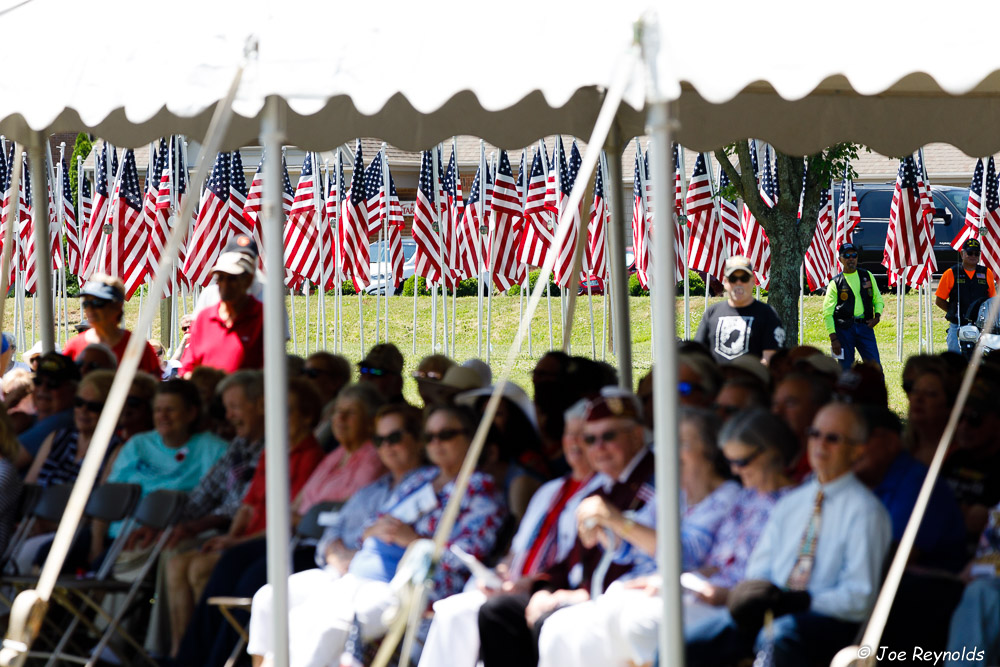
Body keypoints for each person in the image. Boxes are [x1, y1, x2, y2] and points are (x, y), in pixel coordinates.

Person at [535, 409, 797, 667]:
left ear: (708, 451)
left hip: (727, 603)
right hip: (681, 589)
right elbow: (635, 548)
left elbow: (687, 555)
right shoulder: (739, 498)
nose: (670, 450)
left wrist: (617, 520)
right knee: (559, 628)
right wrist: (602, 526)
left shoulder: (737, 497)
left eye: (681, 442)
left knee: (634, 622)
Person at [252, 405, 505, 667]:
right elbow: (374, 522)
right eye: (430, 436)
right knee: (294, 615)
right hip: (360, 573)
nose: (436, 442)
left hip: (407, 587)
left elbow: (468, 558)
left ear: (471, 438)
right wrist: (372, 531)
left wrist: (414, 541)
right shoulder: (419, 480)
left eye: (447, 434)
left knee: (330, 625)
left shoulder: (482, 493)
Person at [687, 403, 892, 667]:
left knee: (778, 637)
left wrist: (800, 600)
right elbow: (759, 568)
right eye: (815, 434)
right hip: (774, 612)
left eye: (833, 438)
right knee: (686, 645)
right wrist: (760, 596)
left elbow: (859, 597)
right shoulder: (792, 503)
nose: (820, 445)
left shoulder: (866, 511)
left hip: (827, 621)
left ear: (857, 449)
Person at [477, 390, 656, 667]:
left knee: (551, 622)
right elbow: (573, 558)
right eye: (590, 439)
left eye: (608, 436)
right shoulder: (602, 487)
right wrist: (544, 587)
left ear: (635, 436)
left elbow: (635, 559)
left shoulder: (654, 481)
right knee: (498, 612)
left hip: (621, 596)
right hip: (584, 592)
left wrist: (577, 593)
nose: (598, 447)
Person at [418, 399, 602, 667]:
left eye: (582, 436)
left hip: (549, 587)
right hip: (512, 583)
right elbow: (516, 550)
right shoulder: (550, 490)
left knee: (483, 612)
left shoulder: (601, 491)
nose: (573, 443)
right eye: (568, 434)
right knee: (452, 611)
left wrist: (530, 583)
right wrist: (502, 572)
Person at [247, 404, 427, 665]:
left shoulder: (426, 487)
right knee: (268, 599)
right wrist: (338, 553)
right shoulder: (370, 490)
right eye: (380, 440)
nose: (387, 446)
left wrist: (360, 548)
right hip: (338, 572)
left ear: (417, 440)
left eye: (394, 438)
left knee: (318, 621)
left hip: (379, 581)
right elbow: (329, 537)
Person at [164, 378, 324, 657]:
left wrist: (235, 543)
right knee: (178, 564)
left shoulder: (309, 457)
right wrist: (231, 537)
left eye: (285, 411)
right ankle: (182, 652)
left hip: (270, 543)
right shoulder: (273, 451)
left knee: (201, 568)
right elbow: (248, 505)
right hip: (248, 539)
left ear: (307, 416)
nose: (277, 419)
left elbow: (288, 520)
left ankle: (217, 653)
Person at [179, 249, 264, 376]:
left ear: (248, 280)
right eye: (220, 278)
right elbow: (187, 366)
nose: (224, 284)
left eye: (232, 278)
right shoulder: (204, 318)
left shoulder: (263, 317)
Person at [62, 274, 162, 375]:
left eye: (97, 302)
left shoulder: (139, 348)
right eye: (86, 303)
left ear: (117, 307)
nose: (90, 309)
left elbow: (154, 386)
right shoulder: (73, 346)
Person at [694, 255, 785, 365]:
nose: (738, 283)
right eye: (733, 279)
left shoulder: (767, 314)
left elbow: (770, 358)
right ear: (725, 282)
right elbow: (698, 354)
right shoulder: (712, 313)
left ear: (752, 281)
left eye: (744, 278)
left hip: (753, 380)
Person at [823, 242, 884, 370]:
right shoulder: (835, 283)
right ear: (840, 259)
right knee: (845, 369)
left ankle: (877, 390)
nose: (851, 258)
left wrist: (877, 316)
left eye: (854, 255)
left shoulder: (867, 275)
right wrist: (834, 338)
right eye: (847, 256)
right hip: (844, 330)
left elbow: (878, 299)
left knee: (875, 367)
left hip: (865, 327)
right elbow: (827, 312)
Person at [17, 352, 80, 463]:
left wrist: (6, 404)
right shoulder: (30, 419)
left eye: (53, 383)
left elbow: (9, 459)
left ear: (73, 390)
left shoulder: (62, 421)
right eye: (38, 381)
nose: (43, 388)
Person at [935, 238, 996, 353]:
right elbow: (939, 300)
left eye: (976, 253)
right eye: (969, 253)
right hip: (957, 324)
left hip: (981, 326)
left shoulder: (986, 273)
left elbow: (992, 300)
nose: (973, 256)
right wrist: (953, 312)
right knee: (955, 360)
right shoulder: (951, 273)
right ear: (962, 254)